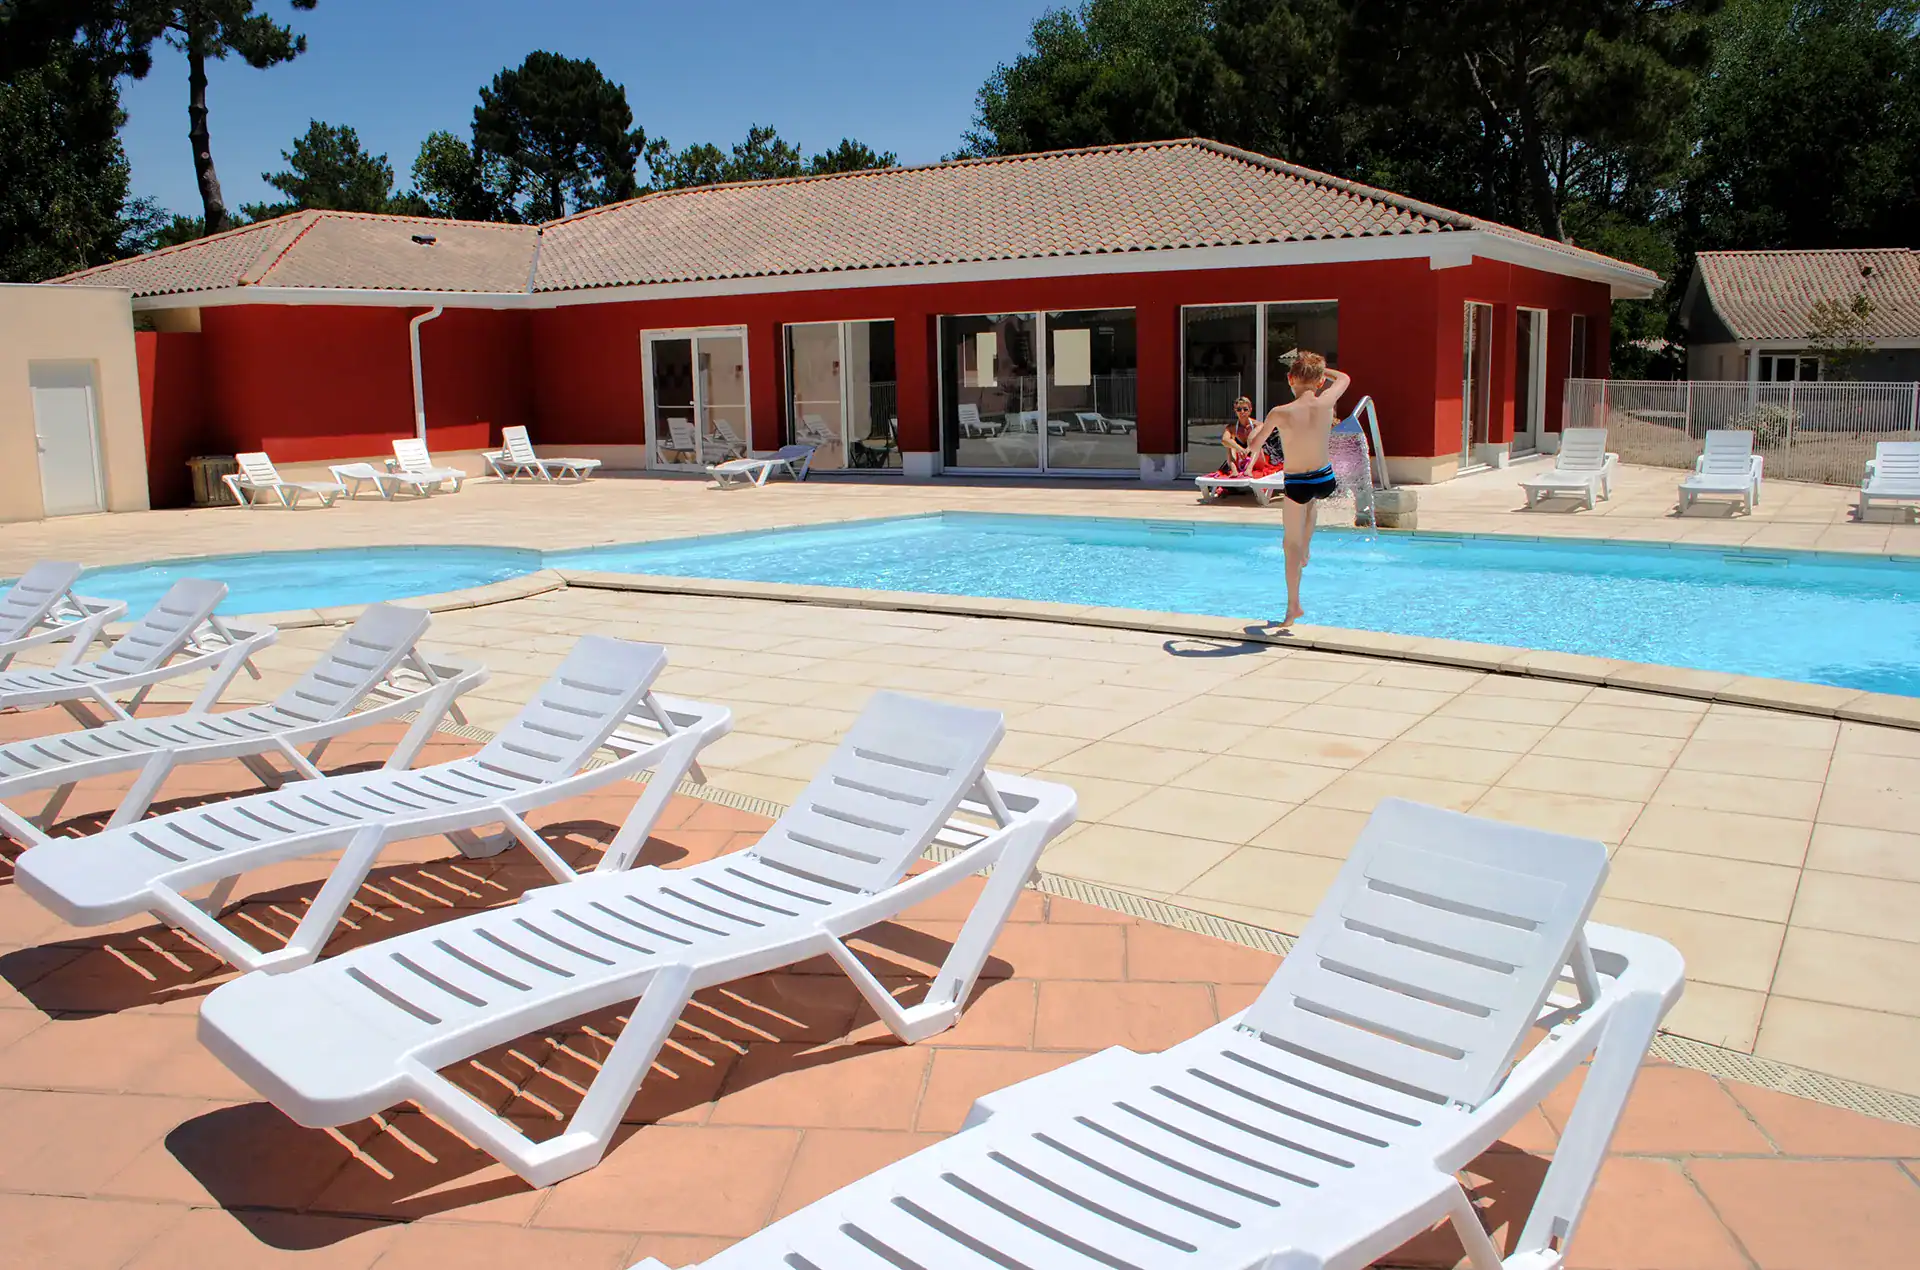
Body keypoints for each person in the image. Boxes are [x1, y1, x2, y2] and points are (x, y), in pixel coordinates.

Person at [1250, 352, 1350, 627]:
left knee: (1288, 545)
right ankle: (1307, 545)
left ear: (1290, 379)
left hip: (1296, 483)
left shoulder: (1280, 412)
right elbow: (1345, 378)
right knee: (1313, 503)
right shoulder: (1327, 400)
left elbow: (1254, 446)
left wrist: (1255, 432)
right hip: (1324, 478)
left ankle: (1293, 606)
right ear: (1319, 382)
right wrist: (1322, 371)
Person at [1214, 396, 1279, 480]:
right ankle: (1234, 471)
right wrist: (1240, 449)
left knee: (1255, 442)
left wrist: (1248, 449)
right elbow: (1224, 440)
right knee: (1229, 445)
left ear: (1250, 410)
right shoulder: (1231, 427)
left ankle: (1249, 469)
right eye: (1239, 409)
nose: (1242, 412)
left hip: (1256, 460)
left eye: (1245, 409)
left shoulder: (1258, 425)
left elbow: (1255, 438)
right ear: (1235, 411)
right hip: (1241, 460)